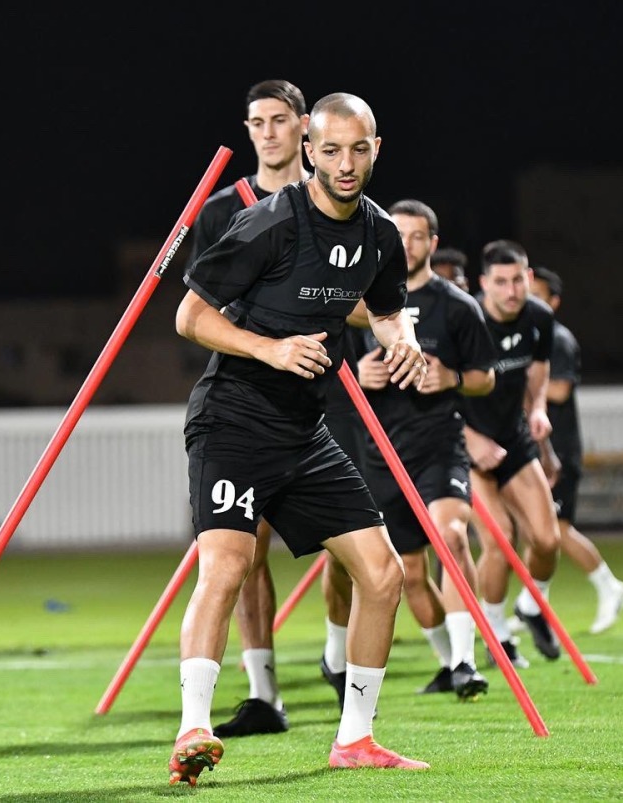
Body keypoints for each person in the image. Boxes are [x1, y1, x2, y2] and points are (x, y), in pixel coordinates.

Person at [169, 92, 430, 786]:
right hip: (233, 417)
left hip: (304, 433)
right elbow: (190, 316)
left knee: (382, 573)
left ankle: (356, 738)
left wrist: (403, 343)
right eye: (332, 150)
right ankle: (193, 726)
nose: (346, 164)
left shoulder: (381, 235)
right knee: (225, 567)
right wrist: (270, 348)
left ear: (378, 149)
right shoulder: (269, 223)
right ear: (310, 150)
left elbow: (387, 312)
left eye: (360, 149)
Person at [319, 199, 497, 704]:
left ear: (432, 243)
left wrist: (453, 378)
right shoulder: (353, 307)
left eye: (418, 236)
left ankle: (466, 662)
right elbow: (325, 367)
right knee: (409, 573)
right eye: (400, 234)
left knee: (452, 536)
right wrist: (357, 375)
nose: (408, 244)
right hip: (377, 452)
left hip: (438, 445)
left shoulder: (459, 307)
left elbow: (486, 377)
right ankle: (447, 662)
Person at [183, 78, 311, 740]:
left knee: (365, 555)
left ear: (304, 126)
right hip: (245, 391)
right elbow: (201, 310)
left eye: (279, 119)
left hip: (326, 390)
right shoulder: (220, 209)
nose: (266, 131)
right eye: (256, 121)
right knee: (244, 551)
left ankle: (343, 657)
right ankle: (263, 693)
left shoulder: (332, 201)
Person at [462, 240, 562, 668]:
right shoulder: (464, 318)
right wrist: (471, 440)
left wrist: (538, 409)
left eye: (518, 280)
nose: (511, 290)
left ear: (529, 279)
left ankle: (533, 608)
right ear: (484, 283)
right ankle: (496, 631)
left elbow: (538, 372)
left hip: (514, 437)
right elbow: (435, 388)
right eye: (500, 282)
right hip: (465, 442)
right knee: (501, 541)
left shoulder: (540, 317)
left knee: (547, 540)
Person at [529, 267, 623, 634]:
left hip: (560, 449)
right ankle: (533, 606)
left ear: (554, 302)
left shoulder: (557, 339)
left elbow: (558, 390)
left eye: (537, 295)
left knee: (557, 529)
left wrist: (520, 378)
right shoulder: (530, 336)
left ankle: (610, 586)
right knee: (536, 530)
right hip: (535, 449)